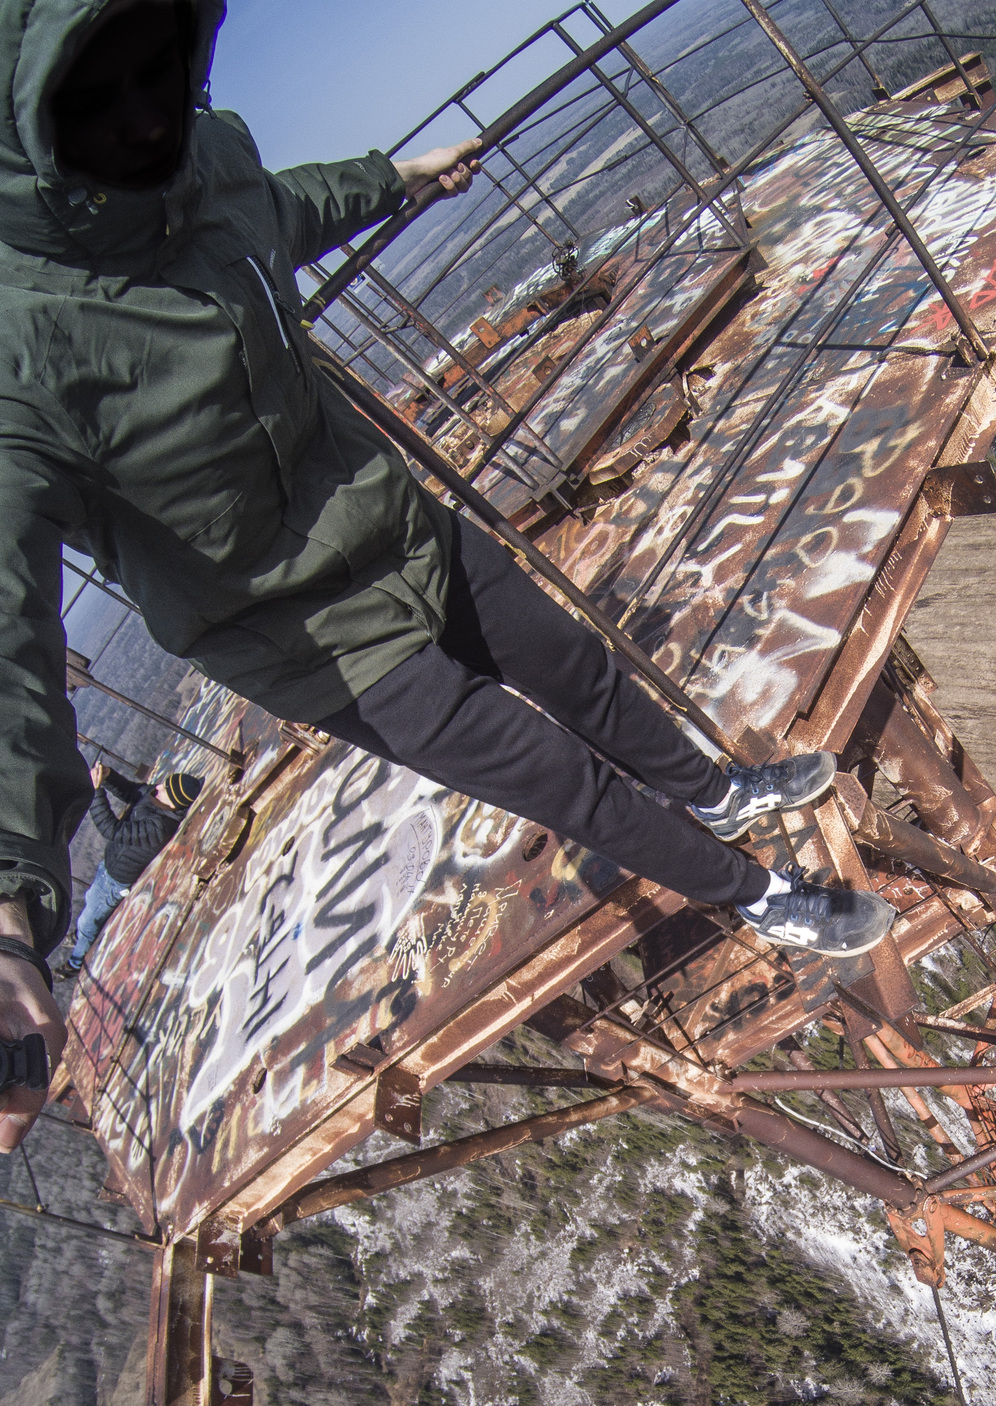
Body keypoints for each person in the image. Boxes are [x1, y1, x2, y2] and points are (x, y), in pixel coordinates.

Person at [0, 0, 893, 1153]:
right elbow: (13, 650)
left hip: (393, 519)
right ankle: (761, 897)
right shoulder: (24, 349)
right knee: (558, 779)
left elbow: (277, 211)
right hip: (313, 643)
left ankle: (722, 790)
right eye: (90, 103)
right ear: (30, 134)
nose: (137, 121)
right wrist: (13, 911)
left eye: (154, 73)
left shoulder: (206, 161)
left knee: (577, 663)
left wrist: (396, 178)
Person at [63, 763, 204, 973]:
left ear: (173, 803)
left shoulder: (158, 827)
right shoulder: (156, 797)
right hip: (108, 868)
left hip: (115, 880)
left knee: (88, 920)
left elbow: (111, 829)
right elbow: (131, 791)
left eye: (165, 788)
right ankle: (81, 935)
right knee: (91, 902)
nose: (159, 787)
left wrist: (96, 792)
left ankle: (74, 964)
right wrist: (110, 777)